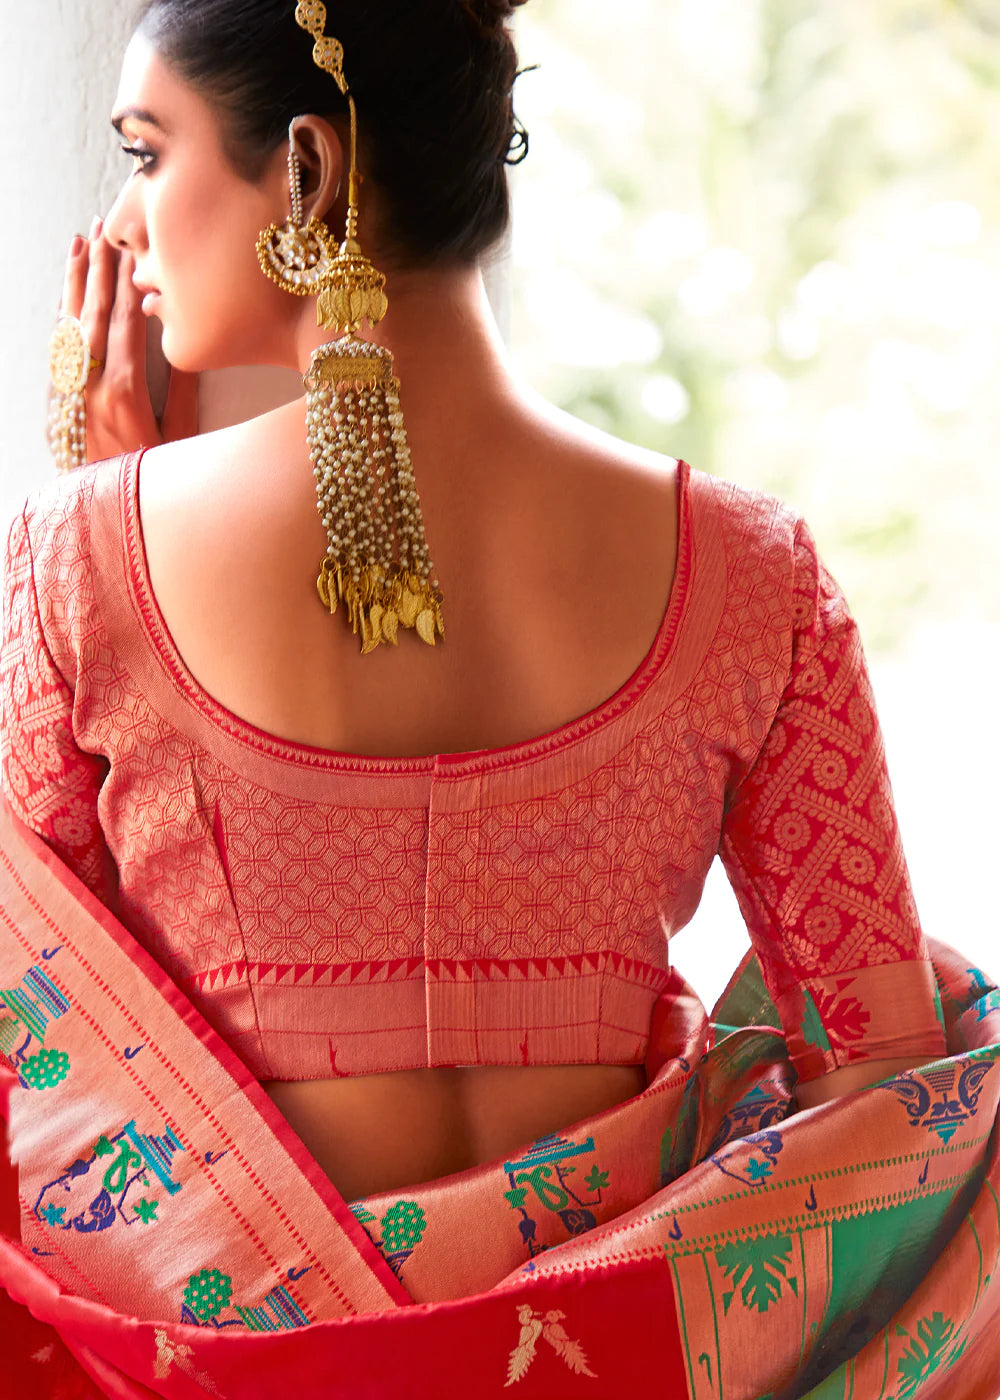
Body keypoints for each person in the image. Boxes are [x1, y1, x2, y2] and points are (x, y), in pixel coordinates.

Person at [0, 2, 997, 1397]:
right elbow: (890, 1098)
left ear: (307, 171)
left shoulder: (80, 564)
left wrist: (105, 504)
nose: (124, 223)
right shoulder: (755, 571)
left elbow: (47, 1061)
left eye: (148, 152)